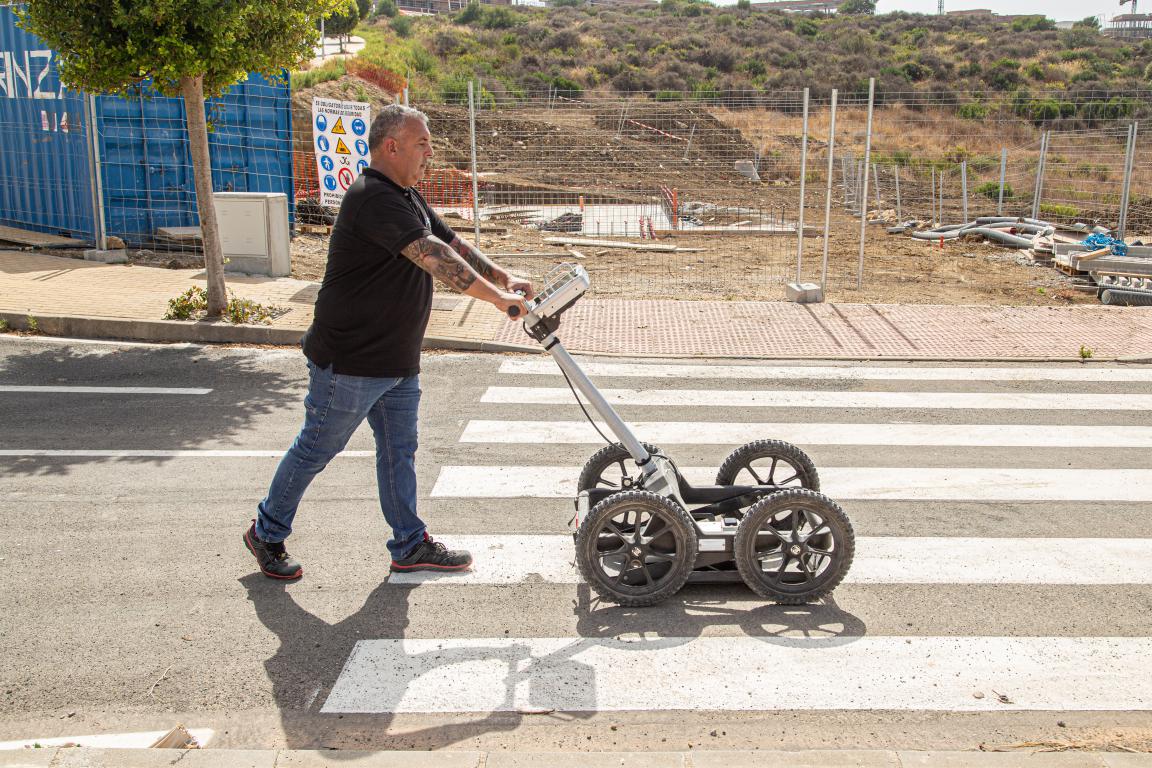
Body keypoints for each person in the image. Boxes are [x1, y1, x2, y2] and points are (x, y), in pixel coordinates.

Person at [244, 104, 532, 580]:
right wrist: (497, 300)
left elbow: (452, 241)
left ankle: (409, 543)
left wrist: (504, 276)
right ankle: (266, 531)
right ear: (391, 146)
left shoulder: (407, 195)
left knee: (399, 451)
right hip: (350, 360)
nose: (430, 153)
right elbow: (433, 256)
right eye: (422, 143)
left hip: (395, 358)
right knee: (317, 448)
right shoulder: (371, 198)